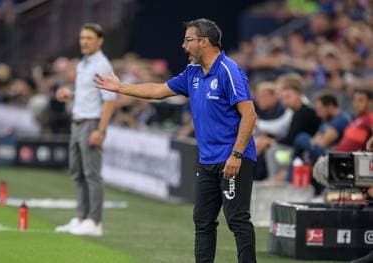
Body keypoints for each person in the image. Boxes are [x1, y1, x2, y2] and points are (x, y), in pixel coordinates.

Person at [95, 18, 257, 263]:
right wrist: (120, 88)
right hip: (207, 160)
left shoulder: (228, 71)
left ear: (204, 42)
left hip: (233, 159)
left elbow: (250, 115)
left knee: (237, 220)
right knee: (202, 221)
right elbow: (158, 91)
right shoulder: (192, 72)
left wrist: (236, 156)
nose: (183, 45)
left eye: (188, 40)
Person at [54, 23, 116, 237]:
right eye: (82, 38)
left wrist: (101, 130)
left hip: (91, 122)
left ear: (100, 41)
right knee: (78, 172)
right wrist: (69, 94)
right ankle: (81, 218)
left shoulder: (102, 65)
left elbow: (109, 100)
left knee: (92, 174)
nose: (84, 42)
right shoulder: (84, 64)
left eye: (89, 38)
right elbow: (87, 92)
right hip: (77, 121)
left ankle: (95, 222)